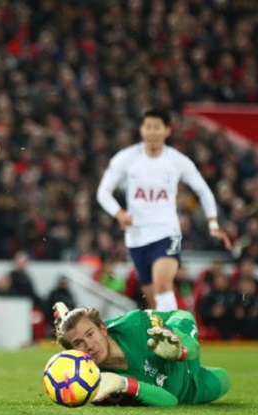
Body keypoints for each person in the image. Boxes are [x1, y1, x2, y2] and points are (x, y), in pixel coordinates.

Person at [97, 108, 232, 311]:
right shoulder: (125, 159)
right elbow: (103, 192)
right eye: (148, 127)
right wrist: (118, 213)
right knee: (152, 301)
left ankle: (173, 338)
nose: (151, 132)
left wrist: (212, 222)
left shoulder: (178, 161)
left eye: (156, 127)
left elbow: (204, 191)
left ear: (167, 130)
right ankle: (165, 337)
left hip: (167, 232)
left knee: (162, 285)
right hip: (137, 237)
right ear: (141, 130)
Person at [53, 303, 230, 407]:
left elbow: (183, 316)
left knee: (226, 378)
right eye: (78, 343)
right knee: (223, 379)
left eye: (90, 334)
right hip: (188, 389)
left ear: (103, 329)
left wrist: (181, 351)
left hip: (184, 355)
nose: (89, 346)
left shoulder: (135, 324)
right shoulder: (94, 383)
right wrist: (123, 383)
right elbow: (170, 400)